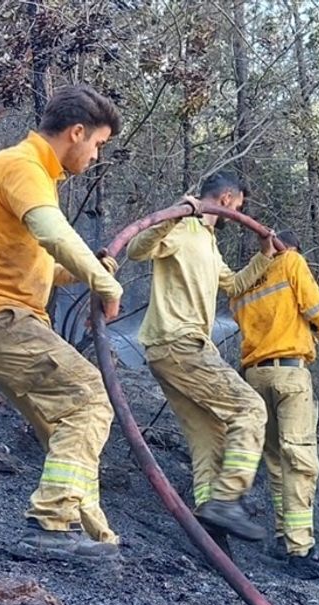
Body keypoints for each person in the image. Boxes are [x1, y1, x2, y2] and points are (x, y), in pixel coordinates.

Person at [0, 85, 125, 561]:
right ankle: (52, 526)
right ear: (76, 132)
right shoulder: (22, 165)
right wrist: (103, 281)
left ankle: (93, 538)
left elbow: (41, 261)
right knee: (89, 396)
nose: (97, 154)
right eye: (98, 143)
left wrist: (85, 268)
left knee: (67, 420)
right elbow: (53, 234)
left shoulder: (32, 175)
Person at [127, 173, 275, 544]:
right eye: (238, 206)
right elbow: (135, 250)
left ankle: (210, 535)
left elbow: (233, 284)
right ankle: (227, 501)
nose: (237, 213)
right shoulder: (183, 228)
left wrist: (264, 257)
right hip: (178, 344)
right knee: (250, 409)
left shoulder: (208, 243)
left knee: (211, 437)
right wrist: (176, 215)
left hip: (181, 349)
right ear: (227, 199)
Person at [229, 231, 319, 578]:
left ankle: (283, 537)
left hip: (254, 377)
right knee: (299, 459)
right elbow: (315, 306)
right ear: (290, 249)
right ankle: (300, 550)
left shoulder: (245, 283)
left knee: (274, 458)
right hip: (289, 375)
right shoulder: (291, 262)